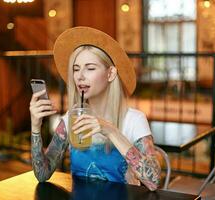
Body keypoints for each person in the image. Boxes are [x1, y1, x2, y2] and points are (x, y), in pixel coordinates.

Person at [29, 27, 161, 191]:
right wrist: (35, 127)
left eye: (90, 68)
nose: (80, 76)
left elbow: (153, 181)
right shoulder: (72, 118)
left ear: (111, 73)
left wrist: (111, 131)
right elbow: (42, 174)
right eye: (76, 69)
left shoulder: (134, 119)